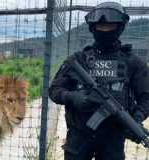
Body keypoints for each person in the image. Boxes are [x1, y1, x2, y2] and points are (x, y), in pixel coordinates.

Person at [49, 2, 149, 160]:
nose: (105, 29)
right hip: (79, 137)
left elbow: (146, 98)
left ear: (121, 27)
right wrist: (74, 97)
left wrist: (135, 120)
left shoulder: (133, 63)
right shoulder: (77, 60)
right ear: (92, 27)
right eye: (101, 25)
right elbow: (54, 90)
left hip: (113, 139)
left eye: (110, 25)